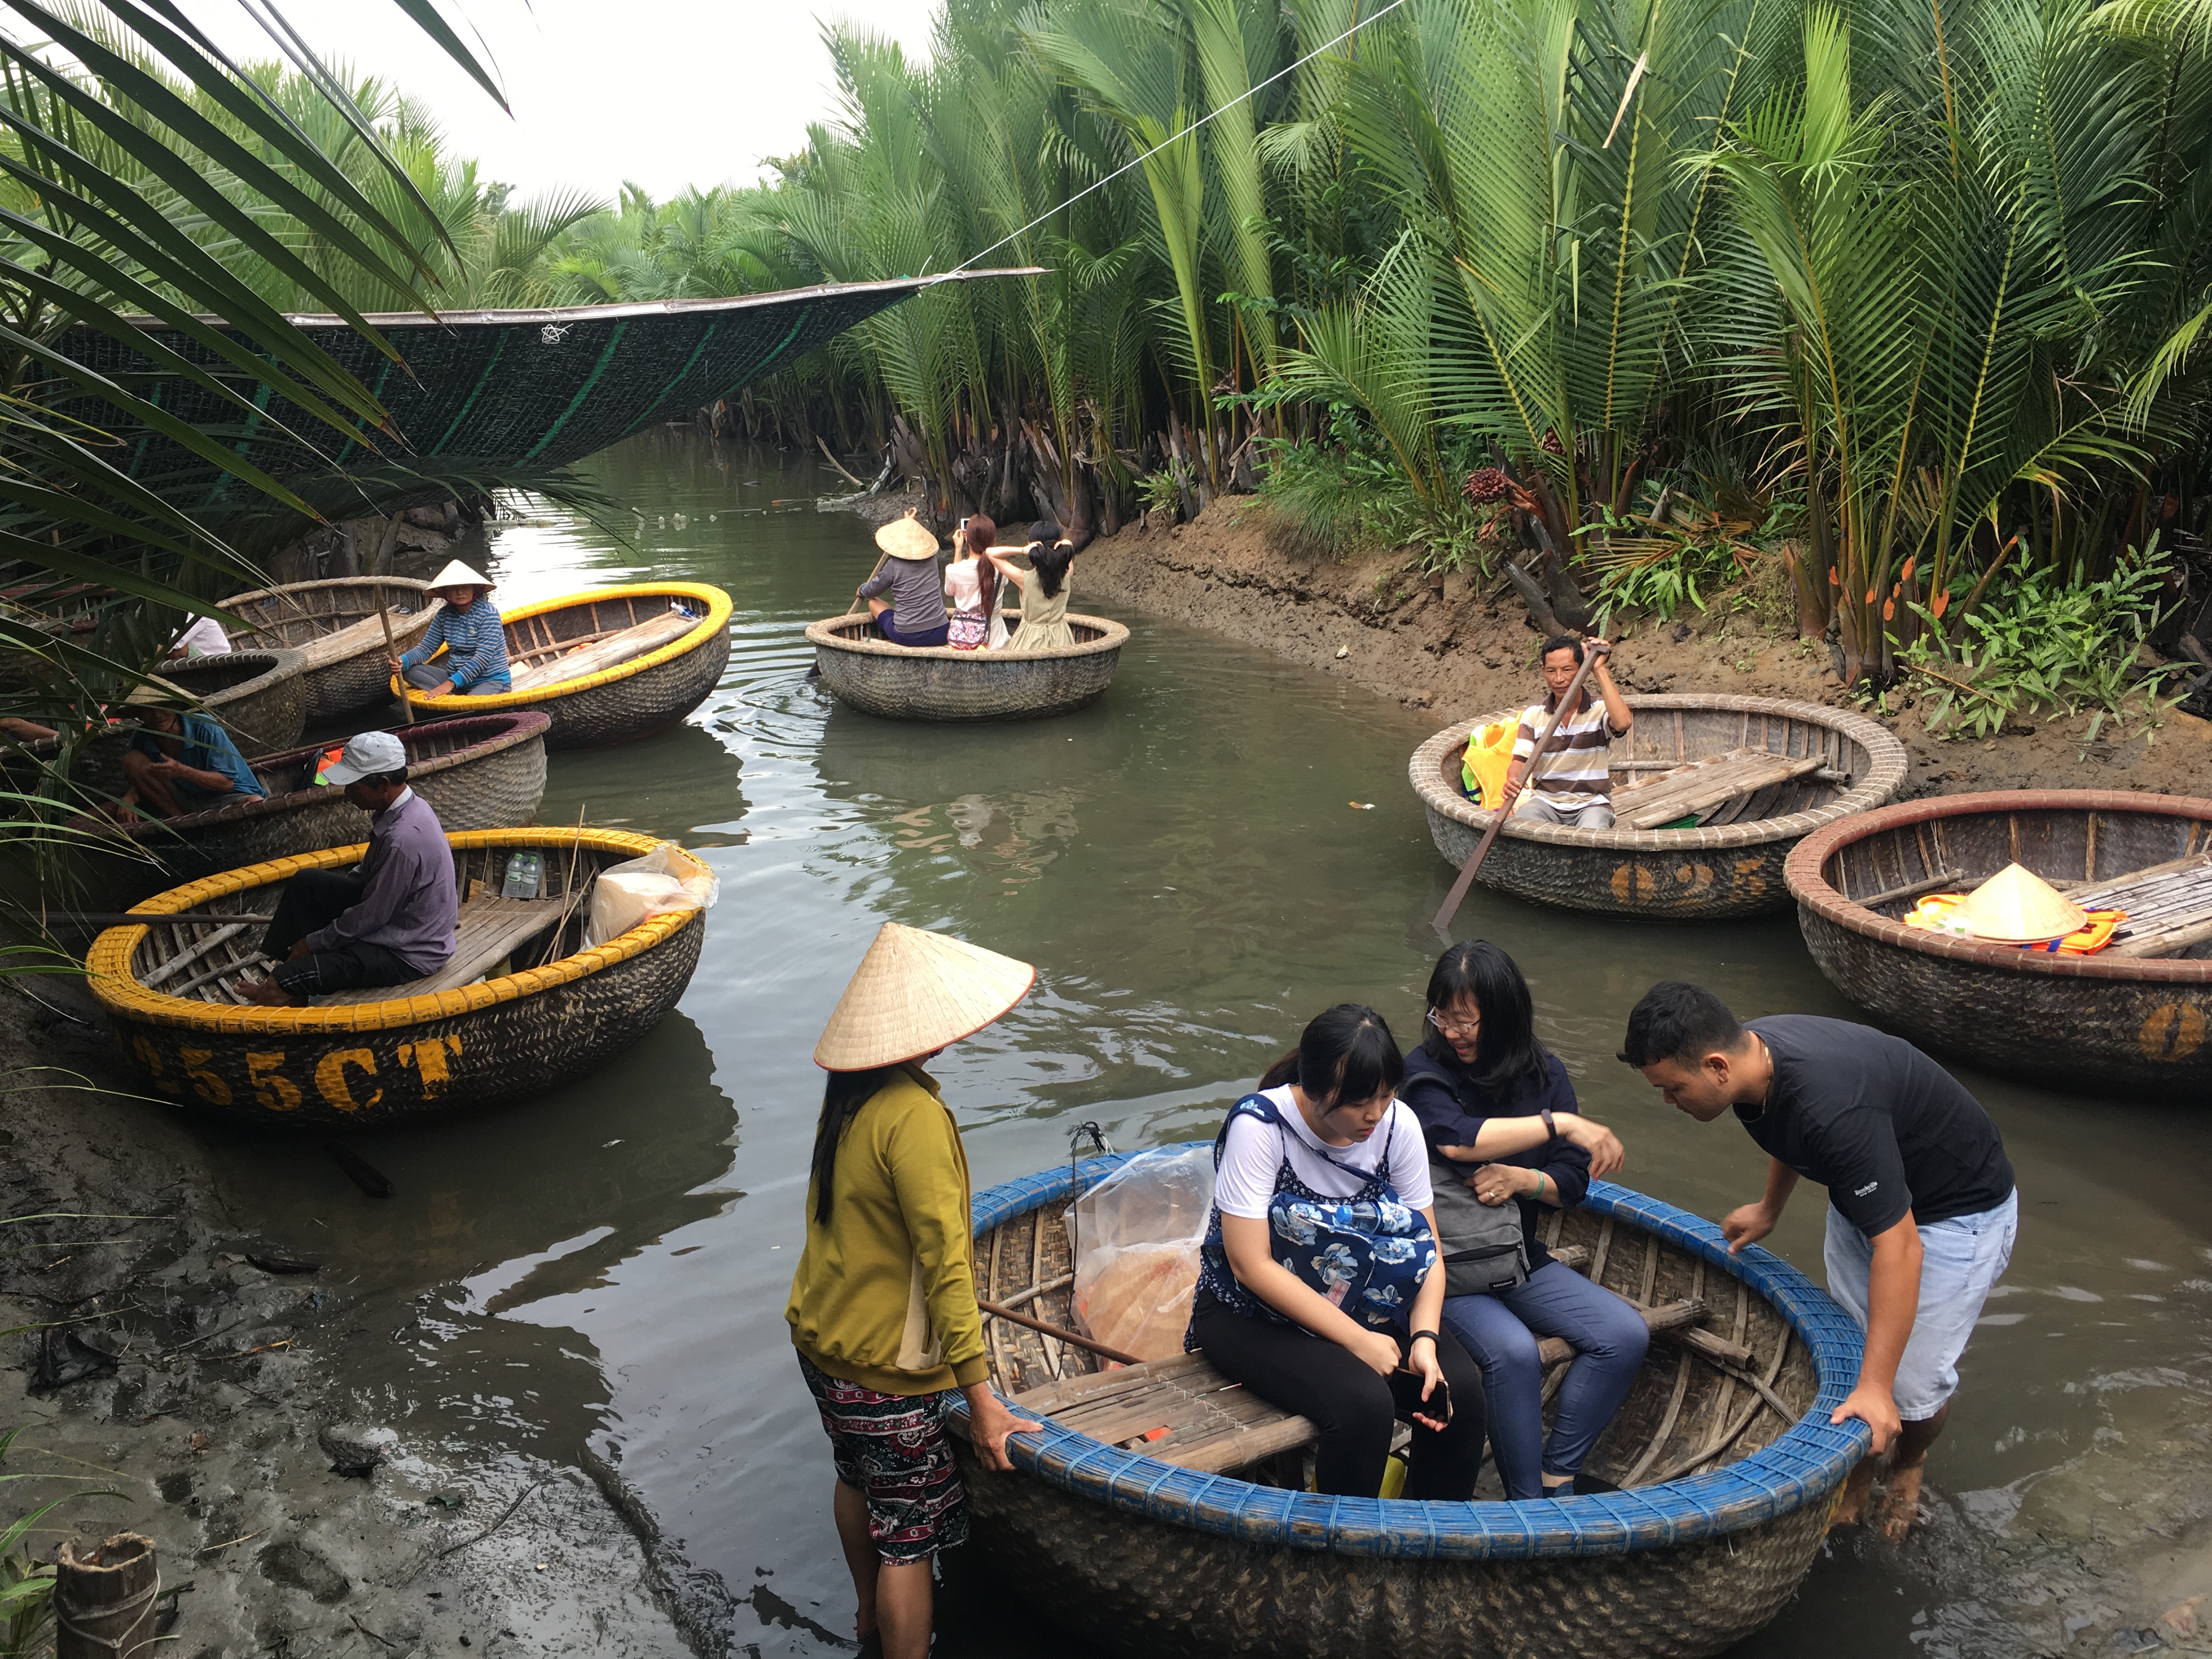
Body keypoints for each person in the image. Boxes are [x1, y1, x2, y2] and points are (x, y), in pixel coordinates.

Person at [1618, 982, 2018, 1539]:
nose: (1669, 1102)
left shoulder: (1831, 1106)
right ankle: (1860, 1468)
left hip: (1954, 1215)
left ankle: (1908, 1461)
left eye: (1673, 1089)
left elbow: (1901, 1246)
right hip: (1869, 1199)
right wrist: (1769, 1208)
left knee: (1911, 1387)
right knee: (1858, 1353)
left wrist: (1880, 1388)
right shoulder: (1754, 1064)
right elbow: (1791, 1130)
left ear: (1716, 1067)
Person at [787, 922, 1042, 1659]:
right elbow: (946, 1265)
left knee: (854, 1478)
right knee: (909, 1535)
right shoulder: (916, 1117)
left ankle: (866, 1617)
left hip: (824, 1347)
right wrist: (984, 1402)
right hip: (882, 1376)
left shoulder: (849, 1102)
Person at [1186, 1004, 1487, 1500]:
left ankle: (1430, 1541)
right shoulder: (1261, 1127)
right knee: (1363, 1405)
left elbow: (1426, 1248)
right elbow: (1249, 1265)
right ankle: (1343, 1560)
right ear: (1315, 1086)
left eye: (1386, 1095)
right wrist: (1358, 1341)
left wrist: (1425, 1339)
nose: (1374, 1114)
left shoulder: (1398, 1126)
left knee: (1460, 1394)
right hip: (1252, 1315)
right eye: (1358, 1101)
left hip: (1369, 1296)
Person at [1401, 941, 1646, 1500]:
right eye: (1443, 1017)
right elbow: (1457, 1140)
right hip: (1448, 1267)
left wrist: (1524, 1180)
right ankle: (1528, 1505)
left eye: (1467, 1021)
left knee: (1623, 1335)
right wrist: (1558, 1124)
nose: (1453, 1033)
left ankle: (1556, 1473)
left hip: (1517, 1257)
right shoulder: (1424, 1074)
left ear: (1505, 1016)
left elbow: (1575, 1179)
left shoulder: (1544, 1074)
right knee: (1513, 1354)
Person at [237, 730, 456, 1006]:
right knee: (308, 883)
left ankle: (283, 985)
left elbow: (372, 915)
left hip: (408, 953)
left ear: (383, 785)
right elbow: (363, 879)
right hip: (399, 921)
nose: (348, 792)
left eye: (354, 785)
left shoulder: (403, 840)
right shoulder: (408, 808)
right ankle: (288, 978)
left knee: (286, 977)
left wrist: (315, 942)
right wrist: (319, 929)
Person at [1505, 633, 1632, 828]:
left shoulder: (1598, 709)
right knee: (1522, 825)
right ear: (1543, 671)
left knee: (1593, 834)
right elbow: (1520, 761)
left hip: (1591, 805)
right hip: (1545, 803)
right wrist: (1513, 779)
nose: (1559, 679)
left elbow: (1623, 723)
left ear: (1582, 670)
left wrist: (1598, 668)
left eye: (1567, 670)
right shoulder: (1533, 715)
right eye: (1551, 671)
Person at [115, 706, 267, 821]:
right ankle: (182, 821)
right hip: (185, 801)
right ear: (139, 715)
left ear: (175, 706)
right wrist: (129, 798)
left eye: (162, 707)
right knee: (133, 760)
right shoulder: (142, 738)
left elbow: (225, 784)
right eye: (148, 710)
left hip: (231, 796)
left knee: (255, 804)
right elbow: (143, 777)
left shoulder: (205, 727)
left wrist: (180, 771)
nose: (156, 715)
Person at [391, 560, 511, 697]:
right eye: (453, 588)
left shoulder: (488, 614)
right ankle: (449, 697)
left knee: (471, 702)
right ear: (446, 593)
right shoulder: (444, 615)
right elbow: (426, 648)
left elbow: (482, 658)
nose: (460, 592)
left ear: (474, 589)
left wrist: (450, 684)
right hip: (455, 678)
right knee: (408, 671)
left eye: (465, 586)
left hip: (489, 680)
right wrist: (402, 661)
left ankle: (450, 695)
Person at [856, 512, 950, 648]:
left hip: (908, 636)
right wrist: (909, 524)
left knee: (873, 602)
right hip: (941, 632)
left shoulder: (893, 566)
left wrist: (862, 591)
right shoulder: (933, 560)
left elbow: (872, 590)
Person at [985, 521, 1076, 652]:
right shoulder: (1067, 574)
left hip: (1029, 641)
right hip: (1062, 640)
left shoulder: (1023, 578)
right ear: (1057, 544)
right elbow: (1069, 546)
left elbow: (990, 553)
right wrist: (1064, 544)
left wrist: (1022, 550)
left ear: (1032, 546)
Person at [942, 514, 997, 651]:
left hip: (962, 637)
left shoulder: (952, 570)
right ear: (993, 541)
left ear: (968, 539)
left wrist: (958, 549)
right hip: (994, 634)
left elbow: (950, 591)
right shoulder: (1000, 572)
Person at [166, 614, 233, 659]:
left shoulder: (195, 614)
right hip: (199, 652)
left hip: (213, 659)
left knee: (178, 650)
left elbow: (172, 642)